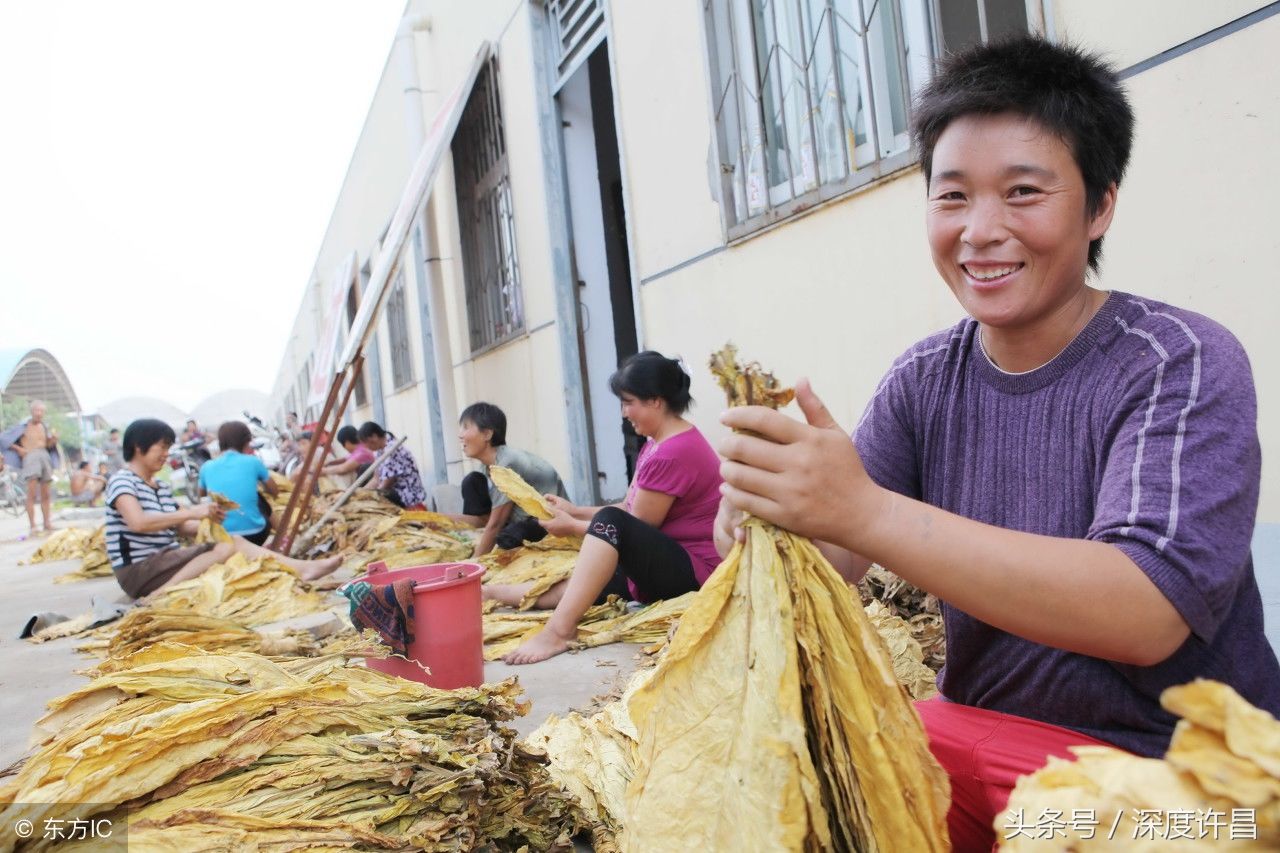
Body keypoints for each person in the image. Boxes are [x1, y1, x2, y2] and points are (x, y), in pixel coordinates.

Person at [713, 36, 1280, 852]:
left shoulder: (1179, 360)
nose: (981, 231)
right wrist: (766, 521)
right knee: (786, 782)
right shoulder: (923, 380)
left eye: (1023, 192)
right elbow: (835, 558)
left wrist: (861, 509)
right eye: (953, 198)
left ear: (1101, 205)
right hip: (987, 744)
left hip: (1179, 787)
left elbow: (1146, 609)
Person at [498, 352, 723, 664]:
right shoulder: (658, 442)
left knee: (602, 543)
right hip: (667, 558)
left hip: (695, 571)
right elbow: (628, 510)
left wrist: (571, 526)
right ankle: (491, 593)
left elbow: (626, 526)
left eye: (629, 402)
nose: (624, 412)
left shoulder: (673, 452)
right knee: (579, 585)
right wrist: (574, 510)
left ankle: (559, 632)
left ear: (655, 401)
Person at [105, 418, 342, 600]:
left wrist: (211, 521)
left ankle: (300, 569)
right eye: (162, 448)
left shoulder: (160, 487)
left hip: (164, 561)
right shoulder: (123, 481)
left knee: (232, 542)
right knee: (227, 547)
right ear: (139, 447)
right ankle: (159, 595)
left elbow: (183, 526)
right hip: (139, 570)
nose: (167, 455)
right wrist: (192, 511)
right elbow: (138, 522)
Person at [453, 402, 570, 557]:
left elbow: (495, 524)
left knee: (509, 536)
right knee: (472, 481)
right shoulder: (486, 467)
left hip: (548, 522)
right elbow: (486, 520)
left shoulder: (507, 463)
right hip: (517, 519)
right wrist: (435, 521)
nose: (460, 435)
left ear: (487, 434)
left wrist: (474, 564)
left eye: (466, 427)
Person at [197, 421, 278, 545]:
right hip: (255, 534)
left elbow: (201, 497)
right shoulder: (253, 462)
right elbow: (274, 492)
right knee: (260, 498)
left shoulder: (206, 467)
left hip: (221, 537)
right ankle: (283, 536)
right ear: (246, 442)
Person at [1, 400, 61, 535]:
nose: (39, 413)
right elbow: (4, 439)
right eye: (36, 410)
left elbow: (48, 445)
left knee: (46, 493)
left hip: (44, 456)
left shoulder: (44, 427)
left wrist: (53, 440)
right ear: (32, 412)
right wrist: (18, 449)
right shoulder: (23, 426)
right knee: (31, 493)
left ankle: (47, 523)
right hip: (30, 456)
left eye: (41, 411)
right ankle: (32, 526)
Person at [359, 422, 426, 510]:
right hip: (394, 490)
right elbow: (376, 479)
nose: (366, 447)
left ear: (374, 437)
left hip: (406, 494)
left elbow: (386, 484)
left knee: (374, 500)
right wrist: (360, 493)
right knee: (364, 471)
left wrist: (370, 497)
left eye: (365, 443)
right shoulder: (380, 450)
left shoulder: (392, 450)